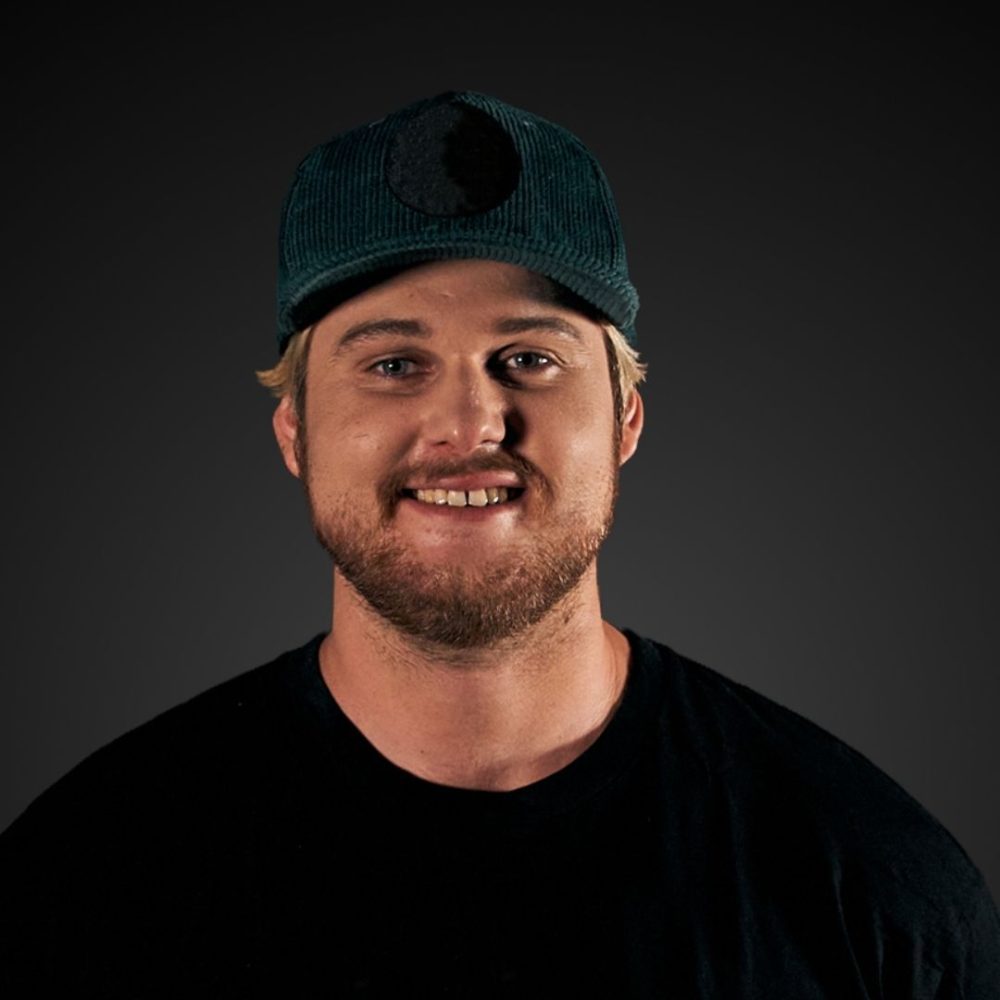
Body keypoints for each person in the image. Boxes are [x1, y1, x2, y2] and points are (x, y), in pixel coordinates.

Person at [2, 90, 997, 997]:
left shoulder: (867, 882)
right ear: (294, 433)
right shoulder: (87, 880)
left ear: (624, 420)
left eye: (528, 357)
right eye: (394, 362)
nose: (472, 421)